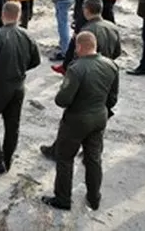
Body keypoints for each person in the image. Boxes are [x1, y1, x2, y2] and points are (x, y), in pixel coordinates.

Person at [40, 31, 119, 212]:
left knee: (65, 158)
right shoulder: (111, 65)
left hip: (76, 120)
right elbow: (113, 98)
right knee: (93, 158)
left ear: (80, 46)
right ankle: (94, 197)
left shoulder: (76, 69)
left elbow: (63, 100)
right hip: (99, 117)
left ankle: (63, 198)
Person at [0, 2, 41, 176]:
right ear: (19, 16)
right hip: (18, 86)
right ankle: (7, 158)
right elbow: (36, 60)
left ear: (2, 15)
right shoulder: (27, 35)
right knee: (12, 125)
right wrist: (21, 69)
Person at [53, 0, 121, 74]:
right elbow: (117, 52)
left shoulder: (87, 31)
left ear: (86, 10)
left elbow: (78, 56)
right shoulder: (113, 27)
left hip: (90, 71)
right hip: (107, 69)